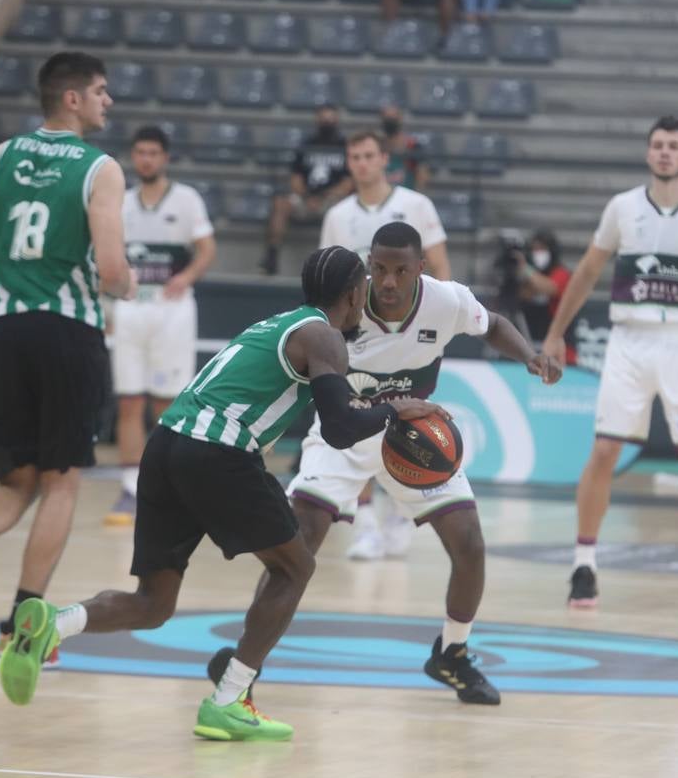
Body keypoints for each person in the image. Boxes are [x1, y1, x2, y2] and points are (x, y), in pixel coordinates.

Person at [0, 246, 443, 741]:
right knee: (296, 567)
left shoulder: (280, 323)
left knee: (153, 603)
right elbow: (338, 429)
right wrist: (397, 410)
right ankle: (230, 698)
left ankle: (53, 625)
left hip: (165, 446)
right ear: (355, 292)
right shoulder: (325, 337)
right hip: (219, 451)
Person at [211, 223, 562, 707]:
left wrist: (529, 355)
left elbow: (495, 323)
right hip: (344, 435)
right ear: (368, 267)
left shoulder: (448, 300)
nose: (389, 281)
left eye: (400, 270)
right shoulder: (342, 308)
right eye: (379, 269)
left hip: (411, 437)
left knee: (470, 544)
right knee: (298, 544)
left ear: (421, 268)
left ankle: (453, 654)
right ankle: (245, 664)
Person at [0, 51, 136, 672]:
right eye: (100, 91)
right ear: (72, 99)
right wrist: (126, 287)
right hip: (68, 334)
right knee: (62, 482)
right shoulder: (101, 168)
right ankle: (20, 627)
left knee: (17, 479)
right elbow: (114, 269)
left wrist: (2, 273)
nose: (107, 101)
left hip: (7, 331)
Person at [541, 116, 678, 608]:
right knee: (603, 453)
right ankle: (584, 562)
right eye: (657, 145)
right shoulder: (622, 208)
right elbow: (589, 271)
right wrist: (555, 333)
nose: (664, 152)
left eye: (673, 146)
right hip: (630, 341)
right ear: (647, 154)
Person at [319, 131, 450, 560]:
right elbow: (329, 281)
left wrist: (442, 321)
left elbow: (441, 271)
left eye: (368, 155)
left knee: (408, 424)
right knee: (359, 425)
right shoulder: (338, 215)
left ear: (384, 160)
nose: (361, 163)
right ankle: (366, 525)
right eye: (353, 156)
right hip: (360, 337)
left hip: (411, 336)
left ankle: (399, 512)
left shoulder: (416, 205)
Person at [105, 125, 217, 527]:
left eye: (153, 152)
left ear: (165, 157)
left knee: (167, 403)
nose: (146, 159)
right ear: (133, 157)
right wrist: (107, 304)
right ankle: (131, 488)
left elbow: (207, 249)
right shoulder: (121, 202)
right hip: (132, 307)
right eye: (140, 152)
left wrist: (185, 277)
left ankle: (168, 485)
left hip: (172, 310)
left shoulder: (186, 199)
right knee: (129, 401)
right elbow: (108, 254)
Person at [259, 104, 351, 276]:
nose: (327, 123)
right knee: (280, 203)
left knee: (344, 209)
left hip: (332, 200)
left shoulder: (344, 146)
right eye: (324, 119)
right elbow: (296, 178)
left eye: (330, 119)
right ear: (317, 120)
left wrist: (324, 197)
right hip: (305, 197)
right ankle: (271, 256)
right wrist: (307, 197)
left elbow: (348, 182)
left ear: (337, 120)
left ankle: (339, 264)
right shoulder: (306, 144)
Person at [514, 229, 577, 365]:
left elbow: (550, 288)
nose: (538, 253)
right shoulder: (528, 279)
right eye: (534, 249)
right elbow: (523, 294)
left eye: (542, 249)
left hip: (560, 349)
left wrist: (526, 269)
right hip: (531, 346)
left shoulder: (562, 273)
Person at [380, 104, 429, 193]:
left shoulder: (414, 146)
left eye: (393, 118)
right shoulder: (376, 147)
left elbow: (422, 177)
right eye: (387, 118)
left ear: (400, 119)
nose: (390, 121)